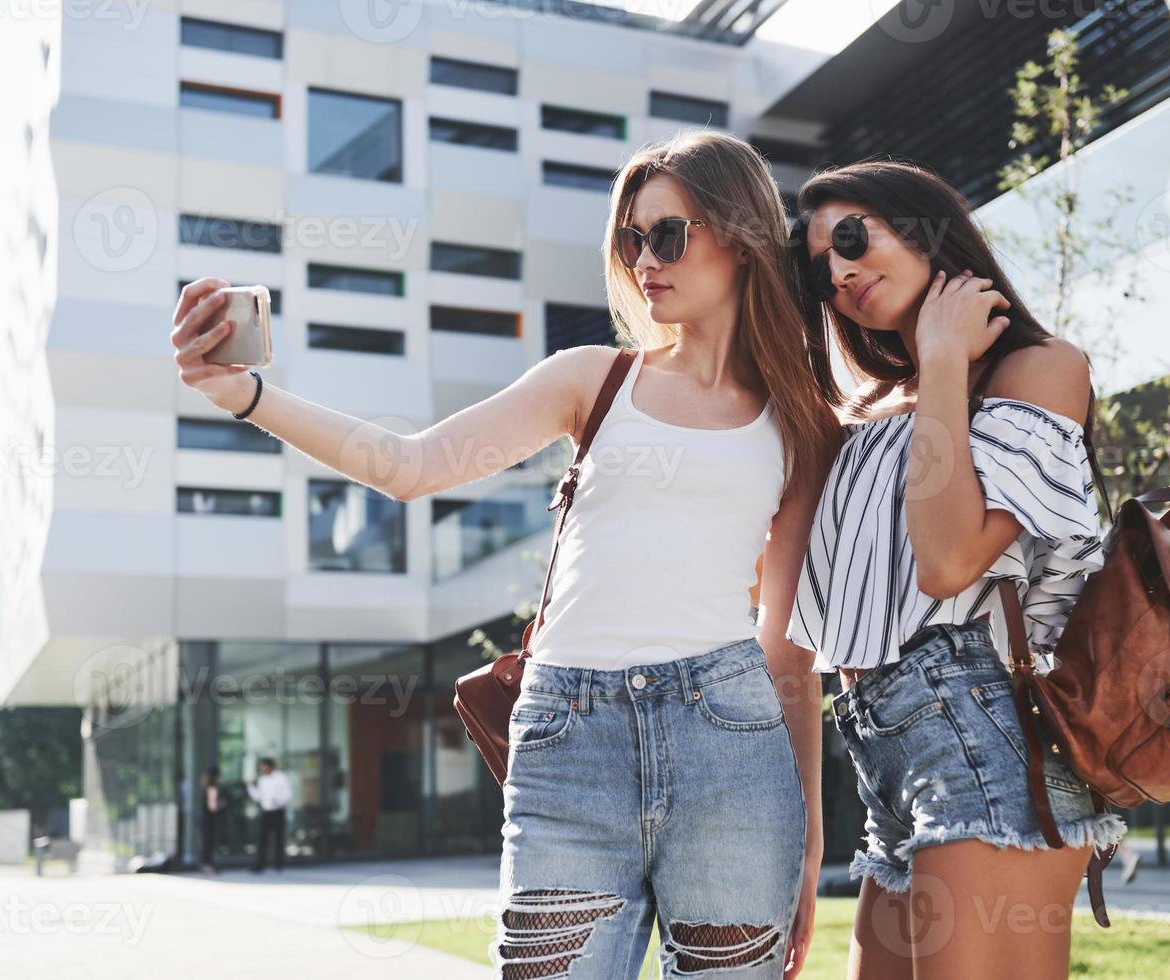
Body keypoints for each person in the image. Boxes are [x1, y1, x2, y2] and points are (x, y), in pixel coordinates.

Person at [170, 130, 840, 977]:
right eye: (630, 240)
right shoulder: (592, 380)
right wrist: (247, 396)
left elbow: (790, 642)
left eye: (666, 234)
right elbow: (409, 466)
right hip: (569, 742)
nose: (644, 260)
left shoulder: (799, 422)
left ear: (739, 235)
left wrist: (810, 837)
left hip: (731, 746)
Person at [786, 160, 1125, 979]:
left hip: (986, 726)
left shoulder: (1038, 369)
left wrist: (940, 359)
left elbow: (947, 562)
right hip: (879, 756)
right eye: (818, 266)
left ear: (925, 227)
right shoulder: (858, 423)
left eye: (853, 238)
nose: (837, 270)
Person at [246, 757, 291, 873]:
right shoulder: (262, 780)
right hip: (266, 812)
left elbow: (287, 795)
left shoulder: (281, 777)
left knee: (278, 838)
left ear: (270, 766)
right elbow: (258, 797)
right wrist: (250, 787)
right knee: (262, 839)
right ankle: (260, 864)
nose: (262, 769)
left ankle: (278, 864)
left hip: (278, 811)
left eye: (264, 766)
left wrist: (277, 801)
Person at [200, 765, 224, 875]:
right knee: (208, 844)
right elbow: (213, 807)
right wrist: (222, 804)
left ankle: (206, 865)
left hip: (205, 819)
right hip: (210, 820)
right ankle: (208, 866)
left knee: (206, 843)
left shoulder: (205, 786)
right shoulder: (212, 788)